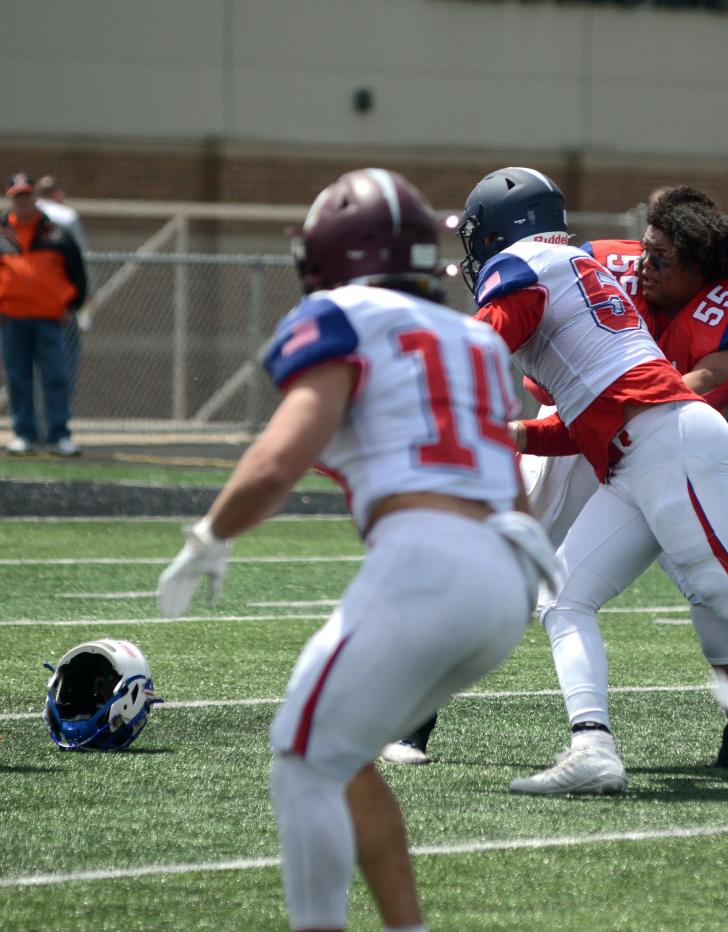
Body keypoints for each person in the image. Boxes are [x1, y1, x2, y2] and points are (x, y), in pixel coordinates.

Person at [156, 168, 560, 932]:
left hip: (428, 563)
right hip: (507, 577)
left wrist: (212, 534)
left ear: (334, 252)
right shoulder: (474, 336)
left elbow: (279, 458)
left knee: (301, 758)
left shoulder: (342, 315)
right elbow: (503, 477)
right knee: (338, 758)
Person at [459, 166, 728, 795]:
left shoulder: (526, 270)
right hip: (637, 448)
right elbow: (591, 414)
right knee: (563, 599)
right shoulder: (572, 268)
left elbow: (470, 352)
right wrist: (514, 434)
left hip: (664, 440)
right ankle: (592, 747)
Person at [0, 172, 87, 456]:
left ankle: (59, 435)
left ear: (34, 197)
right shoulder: (2, 232)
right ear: (11, 199)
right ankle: (24, 434)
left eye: (27, 195)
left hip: (49, 319)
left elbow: (78, 273)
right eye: (17, 197)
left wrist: (70, 307)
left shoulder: (55, 232)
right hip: (12, 318)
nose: (23, 201)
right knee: (18, 377)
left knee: (55, 376)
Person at [35, 175, 90, 398]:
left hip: (24, 304)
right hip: (60, 305)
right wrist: (87, 296)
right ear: (57, 193)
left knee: (28, 366)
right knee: (64, 361)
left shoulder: (20, 217)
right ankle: (57, 419)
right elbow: (81, 259)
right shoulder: (66, 216)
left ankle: (33, 422)